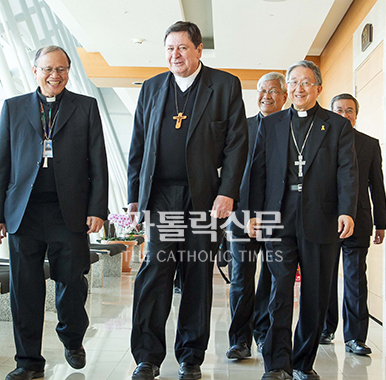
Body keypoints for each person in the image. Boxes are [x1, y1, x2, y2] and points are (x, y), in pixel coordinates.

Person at [127, 21, 248, 380]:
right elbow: (137, 145)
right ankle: (147, 357)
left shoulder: (224, 85)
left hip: (204, 197)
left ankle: (191, 357)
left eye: (182, 48)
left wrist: (227, 192)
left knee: (197, 273)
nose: (174, 55)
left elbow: (237, 144)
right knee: (155, 271)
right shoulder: (151, 88)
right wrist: (135, 196)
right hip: (161, 194)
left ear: (198, 49)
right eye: (169, 49)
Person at [0, 45, 108, 380]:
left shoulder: (85, 107)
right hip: (24, 213)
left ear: (68, 71)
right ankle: (28, 362)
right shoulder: (13, 108)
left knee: (71, 282)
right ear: (35, 71)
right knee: (25, 289)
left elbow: (98, 162)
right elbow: (2, 163)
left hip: (69, 213)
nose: (54, 76)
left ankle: (72, 337)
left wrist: (97, 208)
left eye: (61, 69)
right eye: (48, 69)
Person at [247, 60, 358, 380]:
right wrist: (253, 215)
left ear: (318, 88)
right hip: (278, 216)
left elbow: (346, 171)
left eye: (306, 82)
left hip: (320, 217)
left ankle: (302, 362)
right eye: (293, 82)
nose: (298, 88)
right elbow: (258, 173)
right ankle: (276, 364)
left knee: (316, 293)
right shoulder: (272, 124)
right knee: (278, 291)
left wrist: (346, 210)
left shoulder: (337, 126)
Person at [319, 94, 386, 355]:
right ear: (331, 113)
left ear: (356, 115)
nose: (344, 114)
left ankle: (355, 338)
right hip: (325, 220)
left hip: (358, 221)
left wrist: (381, 221)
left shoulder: (369, 144)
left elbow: (377, 186)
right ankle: (326, 328)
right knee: (325, 277)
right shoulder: (321, 141)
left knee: (355, 279)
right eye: (339, 110)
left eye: (349, 110)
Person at [226, 72, 288, 359]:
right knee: (240, 279)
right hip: (241, 217)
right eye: (262, 90)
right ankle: (239, 340)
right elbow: (234, 175)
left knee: (270, 280)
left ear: (285, 97)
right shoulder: (243, 128)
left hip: (278, 218)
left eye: (274, 91)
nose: (266, 95)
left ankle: (263, 335)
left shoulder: (292, 130)